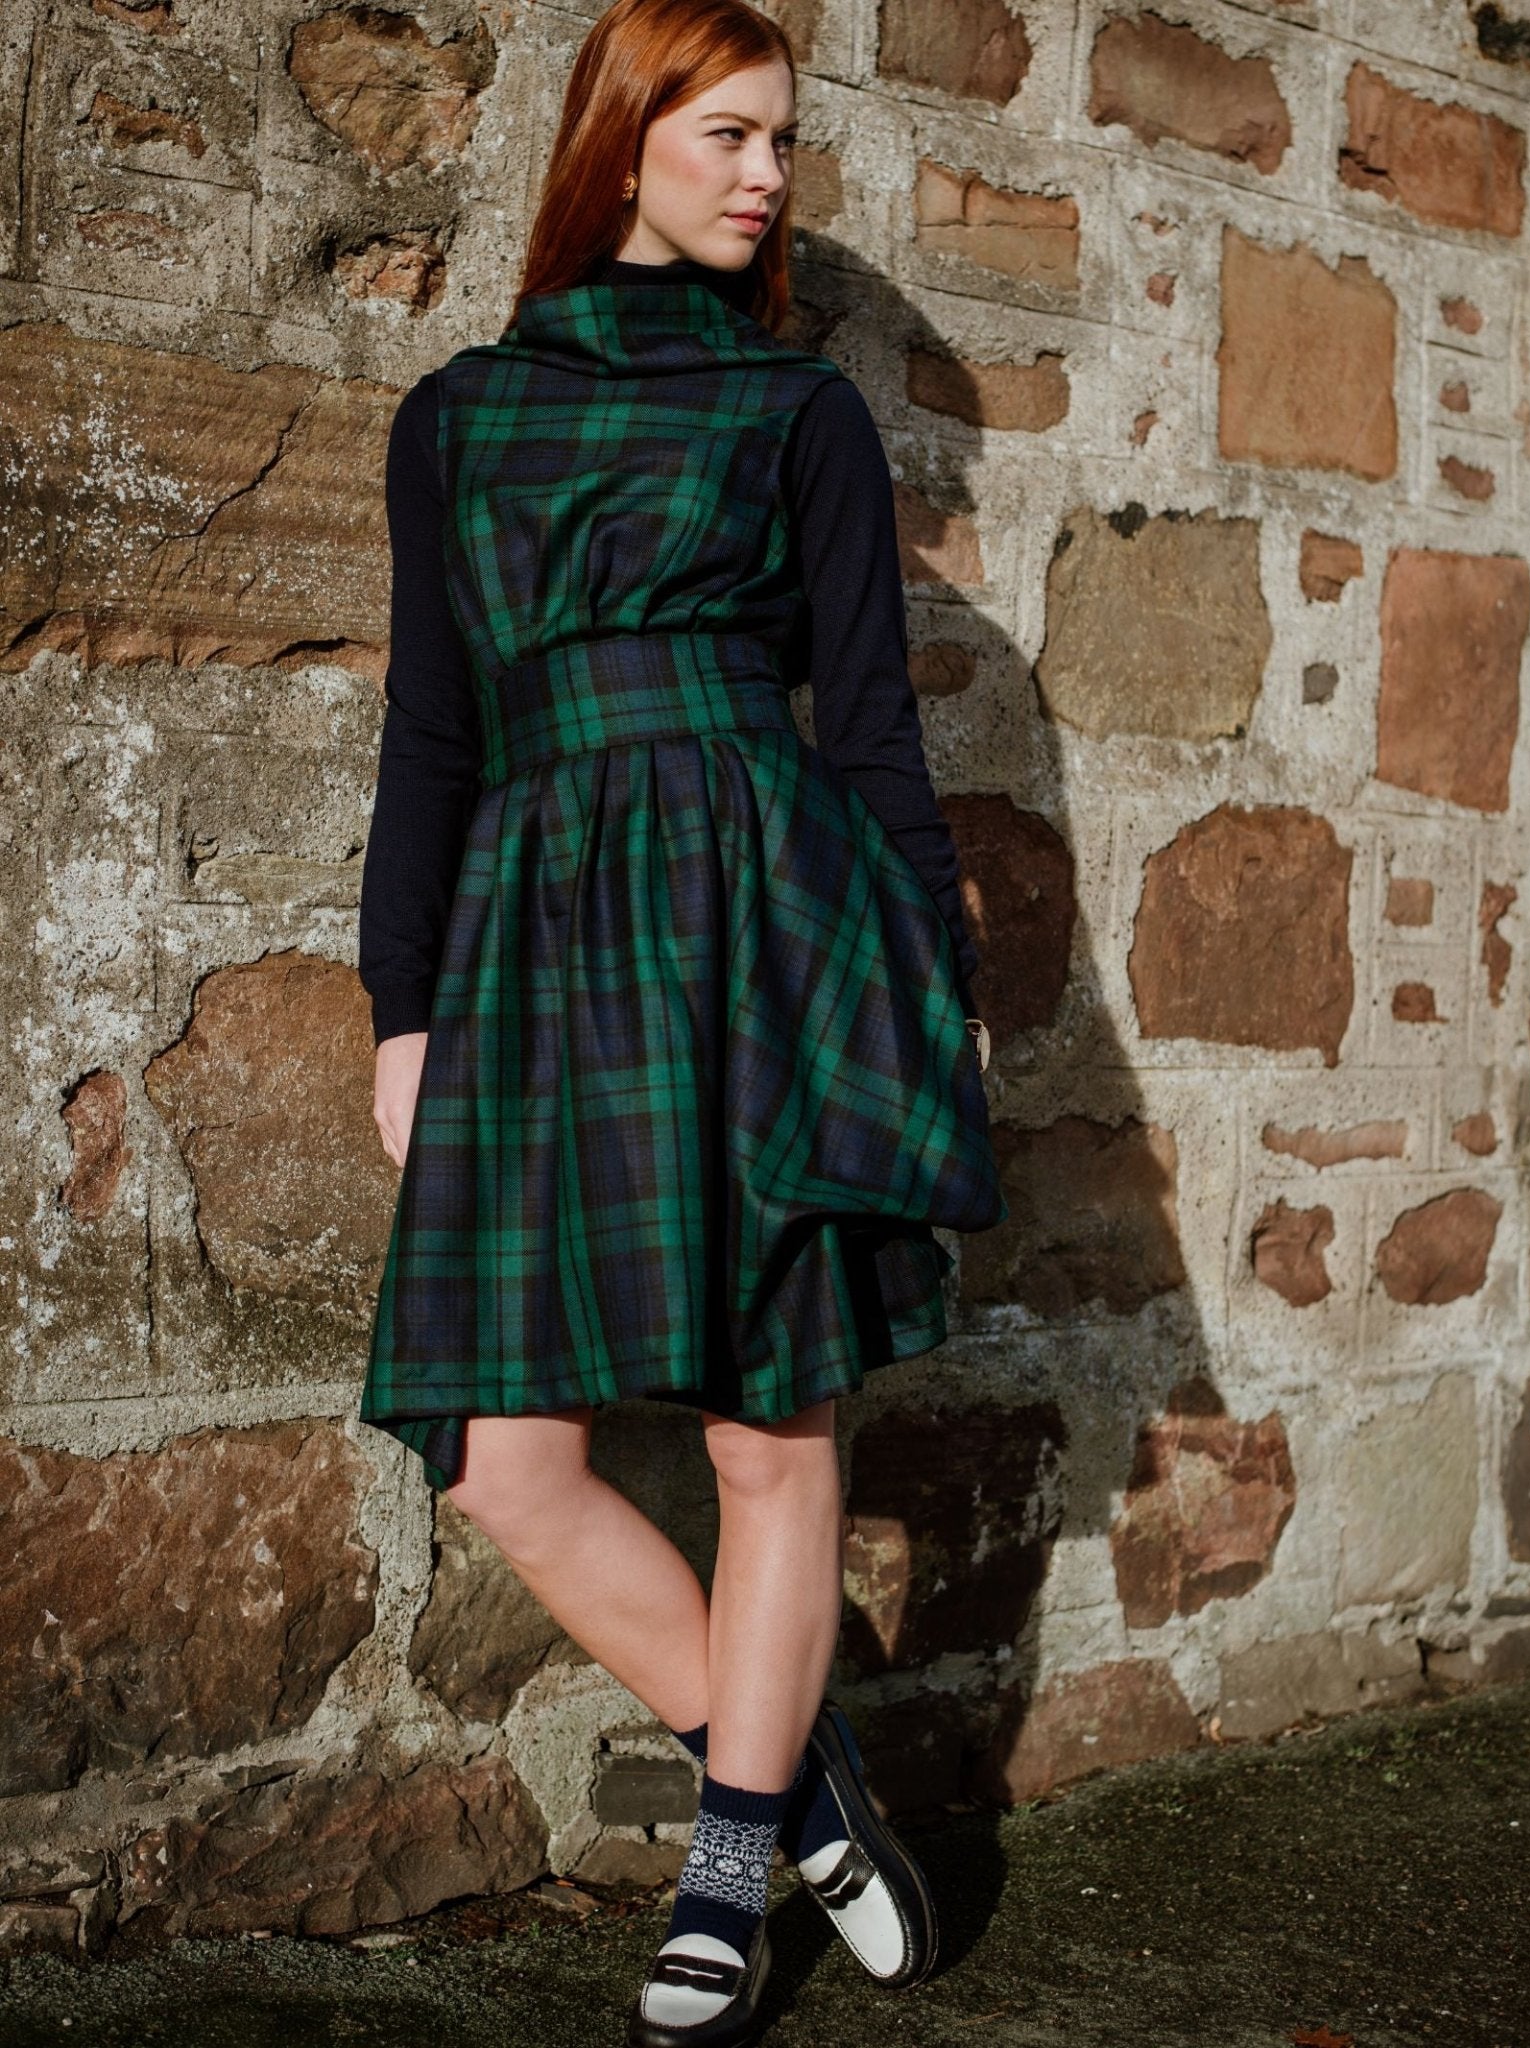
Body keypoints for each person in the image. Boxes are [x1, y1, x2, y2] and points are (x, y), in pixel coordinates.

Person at [355, 1, 1007, 2039]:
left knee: (764, 1422)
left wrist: (933, 983)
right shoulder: (456, 418)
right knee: (499, 1456)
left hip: (759, 916)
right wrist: (403, 1008)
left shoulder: (799, 415)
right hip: (536, 933)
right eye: (725, 132)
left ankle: (725, 1872)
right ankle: (803, 1780)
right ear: (621, 136)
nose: (763, 175)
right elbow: (432, 740)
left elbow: (879, 742)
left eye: (784, 143)